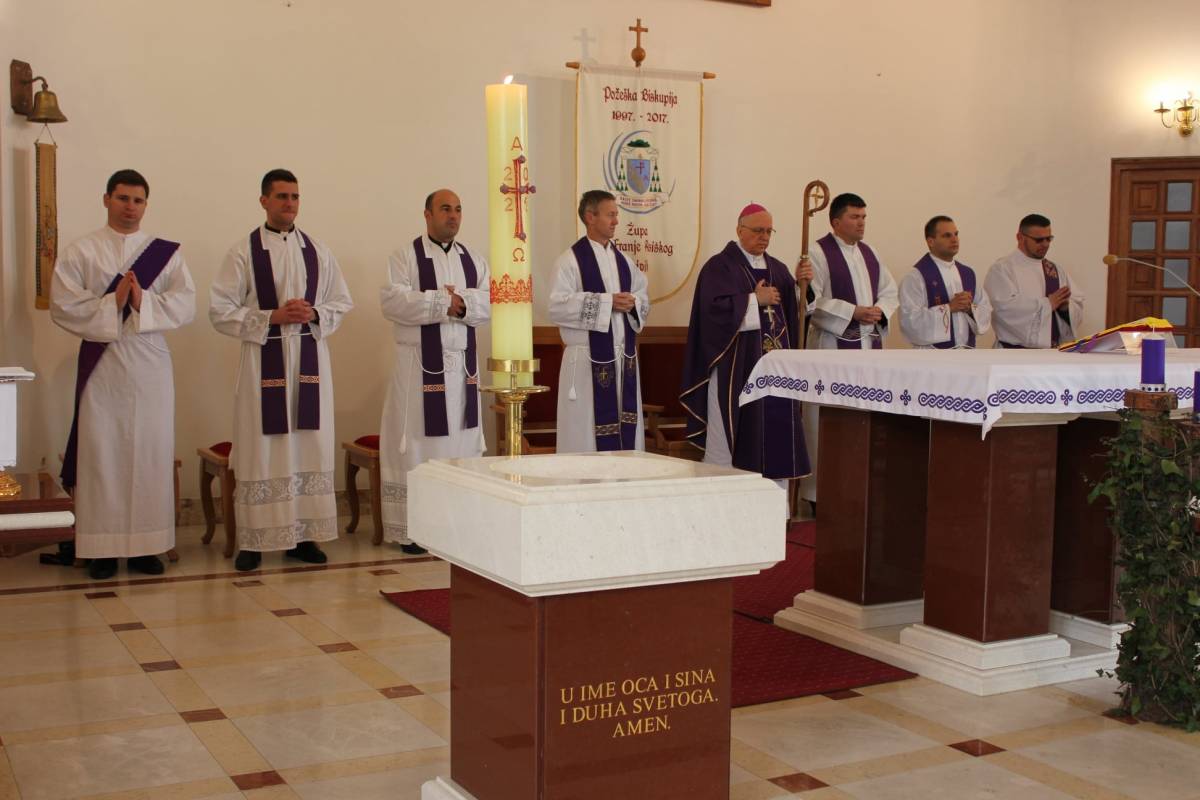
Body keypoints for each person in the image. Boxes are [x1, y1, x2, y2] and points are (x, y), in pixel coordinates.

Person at [50, 169, 196, 580]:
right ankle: (102, 549)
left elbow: (185, 304)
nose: (130, 207)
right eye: (123, 198)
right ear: (106, 199)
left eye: (138, 200)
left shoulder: (165, 253)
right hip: (104, 365)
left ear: (146, 205)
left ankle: (146, 547)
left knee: (149, 451)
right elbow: (62, 304)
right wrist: (109, 303)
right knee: (102, 453)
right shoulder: (83, 250)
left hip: (149, 362)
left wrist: (142, 300)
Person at [210, 169, 353, 571]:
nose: (290, 203)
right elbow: (219, 311)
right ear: (264, 201)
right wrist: (272, 316)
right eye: (282, 196)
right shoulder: (243, 252)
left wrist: (315, 312)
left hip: (309, 361)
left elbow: (342, 302)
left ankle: (304, 537)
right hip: (263, 361)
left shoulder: (318, 251)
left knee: (309, 443)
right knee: (261, 447)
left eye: (295, 196)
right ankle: (254, 540)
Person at [379, 190, 490, 554]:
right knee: (419, 444)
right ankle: (417, 529)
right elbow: (393, 301)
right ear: (427, 214)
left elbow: (489, 303)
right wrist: (445, 302)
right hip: (418, 369)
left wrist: (461, 304)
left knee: (460, 442)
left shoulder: (474, 259)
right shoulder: (405, 256)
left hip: (462, 370)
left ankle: (458, 525)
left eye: (458, 209)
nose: (453, 216)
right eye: (445, 209)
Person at [680, 203, 810, 486]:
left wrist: (802, 286)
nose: (764, 237)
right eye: (758, 230)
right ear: (739, 230)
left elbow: (794, 315)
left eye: (769, 231)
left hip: (775, 375)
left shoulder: (778, 269)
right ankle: (725, 505)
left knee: (774, 440)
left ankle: (774, 505)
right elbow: (711, 314)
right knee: (728, 442)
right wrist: (753, 300)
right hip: (735, 370)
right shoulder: (719, 267)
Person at [800, 193, 898, 507]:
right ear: (836, 221)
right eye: (855, 217)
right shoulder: (817, 252)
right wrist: (852, 312)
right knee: (827, 421)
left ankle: (859, 490)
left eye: (864, 217)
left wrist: (880, 311)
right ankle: (820, 494)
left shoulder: (870, 253)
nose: (861, 223)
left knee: (865, 419)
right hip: (832, 350)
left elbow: (889, 291)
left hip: (868, 348)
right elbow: (811, 302)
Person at [548, 190, 650, 452]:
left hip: (623, 360)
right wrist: (607, 303)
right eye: (610, 215)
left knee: (624, 432)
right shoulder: (569, 261)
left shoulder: (625, 262)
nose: (616, 221)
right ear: (590, 217)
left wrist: (633, 303)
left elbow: (642, 297)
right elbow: (557, 306)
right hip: (586, 362)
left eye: (616, 215)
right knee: (585, 434)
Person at [985, 213, 1083, 348]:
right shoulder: (1002, 269)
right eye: (1039, 240)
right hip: (1013, 353)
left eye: (1049, 239)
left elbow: (1077, 304)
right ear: (1020, 237)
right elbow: (1004, 310)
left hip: (1051, 353)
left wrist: (1065, 309)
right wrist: (1048, 304)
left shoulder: (1055, 270)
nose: (1045, 244)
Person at [899, 215, 992, 348]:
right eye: (947, 235)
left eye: (956, 234)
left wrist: (970, 309)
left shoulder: (968, 274)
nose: (954, 239)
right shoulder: (916, 277)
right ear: (931, 241)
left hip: (967, 353)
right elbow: (910, 322)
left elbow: (985, 309)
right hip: (933, 356)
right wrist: (949, 308)